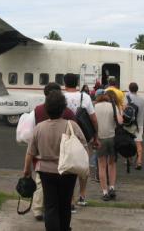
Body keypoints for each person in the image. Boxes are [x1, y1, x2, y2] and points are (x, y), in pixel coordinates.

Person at [23, 90, 88, 231]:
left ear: (47, 109)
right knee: (65, 205)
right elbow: (84, 146)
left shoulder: (39, 128)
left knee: (50, 205)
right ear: (63, 108)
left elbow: (30, 153)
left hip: (46, 172)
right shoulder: (72, 125)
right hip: (68, 171)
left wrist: (27, 170)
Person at [31, 82, 76, 221]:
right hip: (64, 156)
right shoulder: (68, 112)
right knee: (65, 189)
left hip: (41, 154)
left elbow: (32, 130)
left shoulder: (37, 110)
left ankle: (38, 209)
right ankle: (69, 203)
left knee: (40, 183)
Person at [63, 73, 99, 207]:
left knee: (67, 167)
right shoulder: (85, 97)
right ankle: (82, 196)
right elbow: (94, 119)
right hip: (83, 136)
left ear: (64, 83)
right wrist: (96, 136)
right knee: (83, 166)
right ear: (77, 82)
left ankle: (70, 199)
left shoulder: (61, 97)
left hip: (65, 136)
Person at [94, 91, 123, 201]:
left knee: (102, 166)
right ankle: (112, 187)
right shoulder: (113, 106)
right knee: (112, 164)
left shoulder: (95, 106)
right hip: (112, 137)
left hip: (100, 138)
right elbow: (120, 121)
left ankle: (105, 192)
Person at [125, 82, 144, 170]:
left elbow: (123, 111)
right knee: (138, 142)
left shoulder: (126, 98)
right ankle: (139, 161)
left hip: (128, 124)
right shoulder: (142, 100)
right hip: (139, 125)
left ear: (129, 89)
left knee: (128, 142)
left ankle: (129, 159)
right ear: (137, 89)